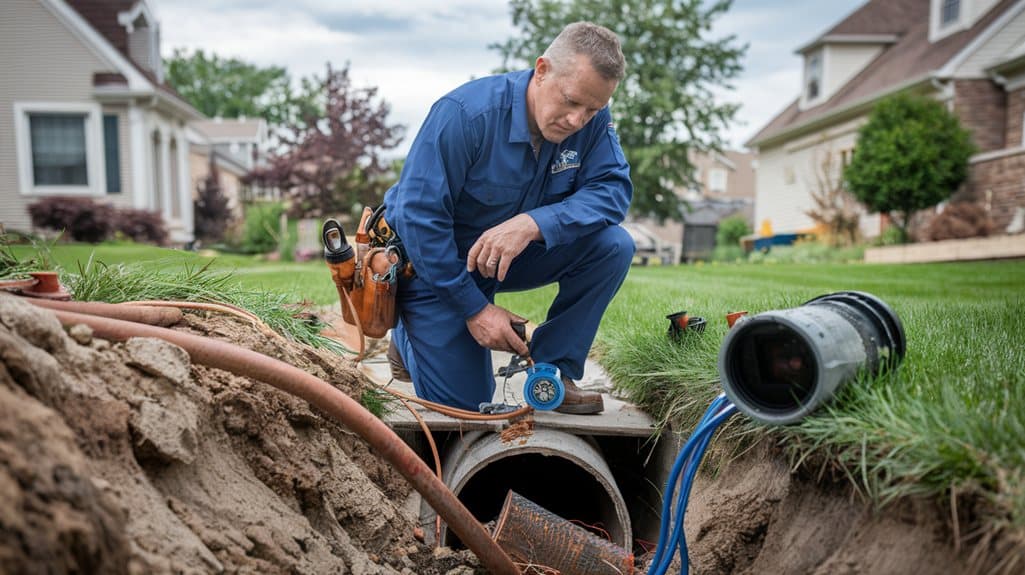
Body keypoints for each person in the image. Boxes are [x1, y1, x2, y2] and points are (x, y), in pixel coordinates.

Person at [384, 21, 634, 414]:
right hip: (436, 266)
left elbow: (612, 190)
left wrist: (534, 224)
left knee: (613, 246)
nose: (577, 121)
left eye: (592, 109)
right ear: (542, 70)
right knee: (468, 409)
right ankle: (408, 336)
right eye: (571, 102)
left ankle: (554, 370)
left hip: (510, 257)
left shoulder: (593, 120)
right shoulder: (464, 115)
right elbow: (418, 218)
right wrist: (475, 309)